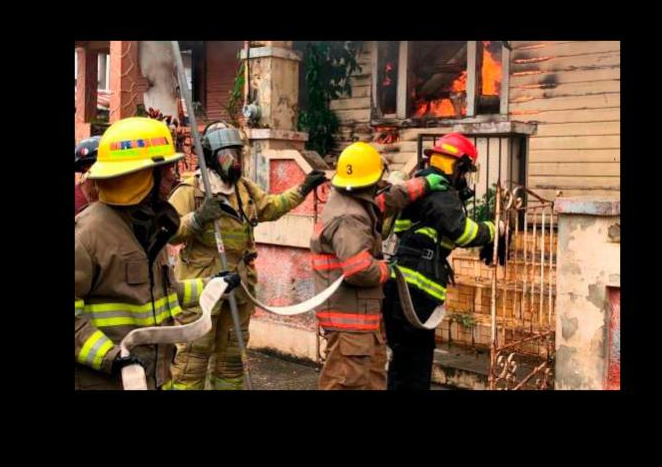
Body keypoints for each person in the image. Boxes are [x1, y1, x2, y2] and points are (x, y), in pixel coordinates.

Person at [75, 117, 239, 390]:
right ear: (138, 178)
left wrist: (213, 286)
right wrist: (112, 357)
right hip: (109, 382)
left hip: (153, 379)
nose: (174, 177)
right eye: (165, 171)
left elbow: (164, 294)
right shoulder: (87, 236)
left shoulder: (149, 228)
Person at [167, 122, 327, 390]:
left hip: (238, 289)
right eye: (226, 155)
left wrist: (302, 189)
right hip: (201, 291)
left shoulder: (244, 190)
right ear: (211, 157)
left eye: (237, 154)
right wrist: (198, 218)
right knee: (191, 362)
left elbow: (272, 207)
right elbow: (169, 232)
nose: (234, 162)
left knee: (231, 362)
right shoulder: (192, 190)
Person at [310, 141, 448, 390]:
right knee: (346, 383)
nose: (381, 185)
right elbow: (359, 270)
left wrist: (424, 184)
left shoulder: (355, 200)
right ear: (370, 180)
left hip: (363, 320)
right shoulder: (350, 218)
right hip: (348, 324)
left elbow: (389, 200)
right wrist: (388, 269)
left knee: (373, 379)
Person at [382, 132, 507, 391]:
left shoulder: (419, 185)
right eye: (465, 170)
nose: (465, 178)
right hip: (416, 291)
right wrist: (496, 230)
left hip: (399, 287)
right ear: (458, 165)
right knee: (415, 367)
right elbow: (462, 232)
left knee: (402, 364)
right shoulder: (440, 192)